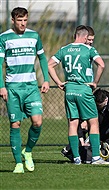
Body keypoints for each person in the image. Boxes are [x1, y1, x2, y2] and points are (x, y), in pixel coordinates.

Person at [48, 25, 109, 165]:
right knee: (93, 122)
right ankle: (95, 158)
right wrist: (95, 82)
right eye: (88, 39)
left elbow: (49, 65)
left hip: (69, 90)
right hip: (83, 89)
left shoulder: (64, 49)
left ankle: (76, 158)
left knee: (72, 123)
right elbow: (101, 64)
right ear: (84, 36)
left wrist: (58, 82)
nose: (89, 41)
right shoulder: (88, 49)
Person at [0, 7, 49, 173]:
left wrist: (46, 80)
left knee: (38, 121)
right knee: (15, 123)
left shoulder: (34, 36)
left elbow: (42, 57)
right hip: (12, 88)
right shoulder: (4, 37)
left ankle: (27, 151)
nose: (22, 23)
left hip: (31, 87)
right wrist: (2, 86)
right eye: (19, 20)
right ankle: (18, 163)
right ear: (13, 20)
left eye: (25, 20)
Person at [61, 88, 109, 163]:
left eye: (99, 105)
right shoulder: (90, 103)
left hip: (107, 133)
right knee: (82, 127)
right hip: (93, 132)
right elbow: (79, 122)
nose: (97, 107)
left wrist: (100, 137)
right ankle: (74, 153)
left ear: (105, 100)